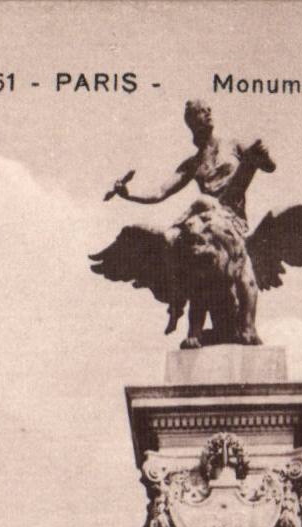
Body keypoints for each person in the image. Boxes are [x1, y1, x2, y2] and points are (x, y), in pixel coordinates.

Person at [106, 100, 275, 345]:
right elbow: (159, 193)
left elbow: (269, 166)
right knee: (172, 242)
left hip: (230, 220)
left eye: (208, 110)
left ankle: (247, 326)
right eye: (199, 113)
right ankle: (178, 304)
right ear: (191, 123)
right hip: (205, 222)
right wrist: (127, 194)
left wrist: (265, 157)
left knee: (241, 266)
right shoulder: (192, 164)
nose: (207, 114)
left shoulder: (234, 146)